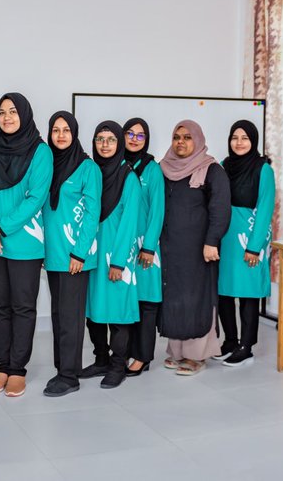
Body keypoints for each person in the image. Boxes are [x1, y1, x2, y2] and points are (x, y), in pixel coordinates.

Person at [0, 93, 52, 398]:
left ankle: (18, 369)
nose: (7, 117)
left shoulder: (40, 152)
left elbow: (35, 198)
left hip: (25, 242)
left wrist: (0, 228)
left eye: (12, 112)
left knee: (22, 307)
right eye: (1, 112)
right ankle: (2, 366)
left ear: (24, 114)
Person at [158, 120, 231, 376]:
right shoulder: (164, 168)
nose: (181, 142)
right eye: (177, 136)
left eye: (187, 137)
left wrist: (212, 241)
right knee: (175, 299)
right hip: (170, 248)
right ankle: (177, 352)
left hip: (200, 250)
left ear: (197, 140)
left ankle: (197, 356)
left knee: (197, 299)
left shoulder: (212, 170)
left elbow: (220, 209)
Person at [41, 111, 100, 397]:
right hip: (53, 254)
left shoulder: (88, 168)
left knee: (71, 317)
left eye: (66, 130)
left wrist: (79, 252)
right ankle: (63, 367)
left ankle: (69, 376)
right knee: (58, 314)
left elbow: (92, 214)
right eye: (56, 130)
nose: (61, 135)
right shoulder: (48, 164)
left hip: (74, 255)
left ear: (75, 133)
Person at [85, 121, 142, 390]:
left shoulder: (128, 177)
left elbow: (130, 222)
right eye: (99, 139)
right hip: (92, 253)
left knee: (118, 313)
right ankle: (101, 359)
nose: (105, 145)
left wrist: (118, 261)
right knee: (93, 310)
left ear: (119, 143)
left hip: (116, 255)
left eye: (110, 139)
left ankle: (118, 364)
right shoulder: (92, 172)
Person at [216, 120, 275, 367]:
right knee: (224, 292)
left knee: (248, 292)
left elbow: (265, 208)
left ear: (254, 141)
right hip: (225, 238)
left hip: (249, 236)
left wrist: (254, 246)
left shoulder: (263, 169)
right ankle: (230, 340)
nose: (239, 143)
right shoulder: (223, 166)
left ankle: (246, 346)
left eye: (245, 138)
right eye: (234, 137)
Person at [123, 118, 164, 376]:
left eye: (140, 135)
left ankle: (142, 356)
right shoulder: (116, 165)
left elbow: (157, 211)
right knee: (127, 300)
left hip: (145, 246)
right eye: (130, 133)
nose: (134, 139)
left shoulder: (153, 170)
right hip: (122, 245)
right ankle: (126, 351)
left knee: (147, 302)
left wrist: (148, 247)